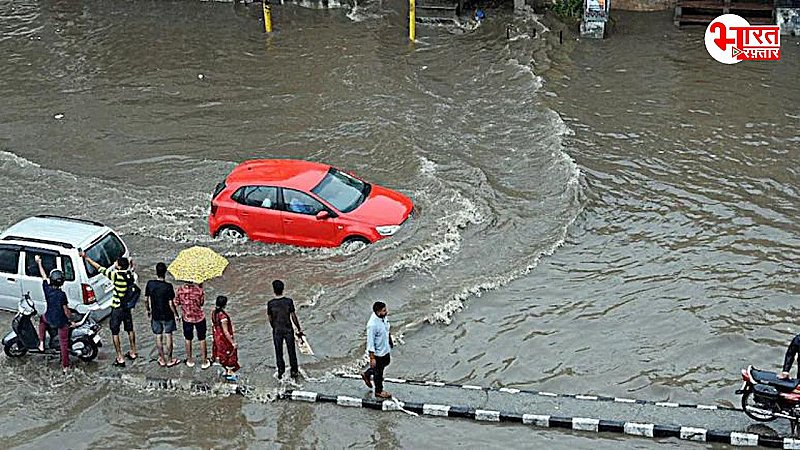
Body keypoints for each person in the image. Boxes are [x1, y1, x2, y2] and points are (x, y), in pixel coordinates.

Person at [81, 251, 137, 367]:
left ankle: (120, 357)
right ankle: (133, 351)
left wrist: (86, 258)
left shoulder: (116, 276)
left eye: (116, 263)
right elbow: (131, 267)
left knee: (115, 332)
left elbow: (99, 268)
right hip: (126, 307)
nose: (115, 263)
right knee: (130, 329)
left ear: (120, 266)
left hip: (117, 308)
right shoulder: (129, 275)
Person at [34, 255, 74, 374]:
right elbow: (66, 311)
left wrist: (39, 262)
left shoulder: (47, 289)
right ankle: (65, 367)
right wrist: (71, 321)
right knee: (64, 343)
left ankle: (41, 343)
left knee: (42, 319)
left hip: (49, 318)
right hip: (60, 322)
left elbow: (43, 275)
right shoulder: (62, 295)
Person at [267, 280, 303, 380]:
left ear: (273, 290)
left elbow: (270, 318)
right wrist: (299, 328)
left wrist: (274, 327)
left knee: (279, 352)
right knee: (291, 352)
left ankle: (281, 372)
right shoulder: (288, 301)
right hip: (288, 330)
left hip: (277, 331)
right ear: (283, 289)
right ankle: (294, 371)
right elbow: (293, 316)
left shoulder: (271, 304)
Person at [145, 262, 180, 368]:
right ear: (165, 272)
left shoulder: (150, 284)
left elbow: (146, 300)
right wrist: (177, 315)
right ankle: (170, 360)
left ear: (156, 272)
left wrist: (148, 310)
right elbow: (171, 304)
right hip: (168, 315)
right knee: (168, 335)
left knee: (158, 336)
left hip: (155, 314)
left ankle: (162, 359)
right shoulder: (168, 286)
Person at [175, 281, 210, 369]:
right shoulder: (198, 290)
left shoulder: (180, 290)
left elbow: (177, 303)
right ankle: (204, 361)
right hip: (199, 318)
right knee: (202, 338)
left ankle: (190, 360)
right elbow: (201, 304)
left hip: (187, 318)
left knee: (188, 339)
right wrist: (201, 287)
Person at [361, 301, 393, 398]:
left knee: (386, 362)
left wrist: (390, 341)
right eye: (384, 310)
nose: (386, 311)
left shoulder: (383, 318)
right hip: (378, 353)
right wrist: (372, 357)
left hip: (385, 348)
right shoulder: (372, 325)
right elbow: (370, 342)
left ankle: (367, 373)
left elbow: (387, 330)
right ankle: (379, 391)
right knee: (379, 373)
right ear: (378, 312)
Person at [212, 295, 240, 381]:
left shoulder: (214, 313)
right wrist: (232, 343)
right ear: (224, 305)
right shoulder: (223, 317)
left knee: (222, 354)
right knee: (230, 355)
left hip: (217, 337)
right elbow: (226, 331)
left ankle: (226, 370)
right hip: (224, 339)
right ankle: (230, 372)